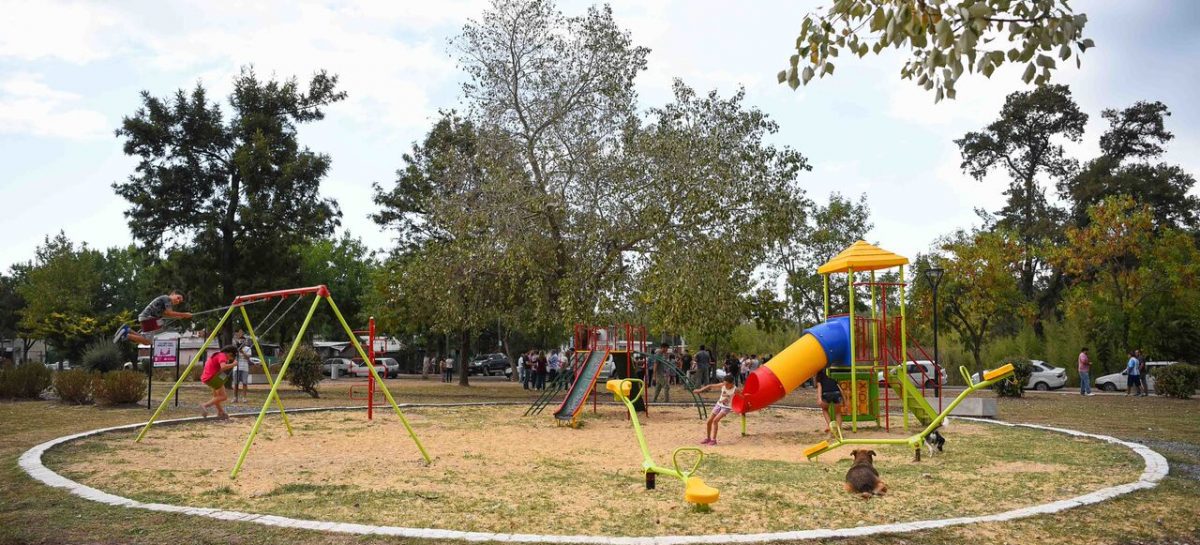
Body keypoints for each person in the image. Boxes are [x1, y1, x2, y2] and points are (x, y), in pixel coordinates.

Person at [112, 291, 193, 346]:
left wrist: (180, 316)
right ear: (173, 294)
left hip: (147, 318)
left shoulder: (165, 301)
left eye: (180, 301)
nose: (178, 301)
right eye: (178, 298)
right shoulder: (167, 298)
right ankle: (126, 334)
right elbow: (169, 313)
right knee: (148, 341)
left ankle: (127, 330)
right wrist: (184, 314)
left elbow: (166, 314)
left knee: (144, 339)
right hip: (149, 318)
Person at [693, 375, 739, 445]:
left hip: (726, 408)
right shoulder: (723, 385)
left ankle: (714, 440)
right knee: (709, 421)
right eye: (724, 383)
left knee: (715, 420)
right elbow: (710, 386)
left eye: (727, 384)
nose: (725, 385)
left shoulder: (735, 390)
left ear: (732, 383)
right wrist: (699, 390)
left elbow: (743, 396)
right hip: (719, 405)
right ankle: (708, 438)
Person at [200, 345, 238, 419]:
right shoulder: (222, 356)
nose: (230, 360)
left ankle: (221, 412)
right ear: (230, 354)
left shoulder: (217, 354)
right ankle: (204, 405)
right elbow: (223, 367)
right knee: (223, 397)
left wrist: (227, 367)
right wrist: (233, 364)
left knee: (216, 397)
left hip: (207, 377)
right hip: (212, 377)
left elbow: (219, 369)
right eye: (231, 358)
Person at [815, 366, 844, 434]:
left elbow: (820, 388)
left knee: (825, 410)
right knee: (838, 413)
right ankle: (838, 431)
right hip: (837, 394)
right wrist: (844, 400)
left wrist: (819, 399)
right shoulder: (833, 380)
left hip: (826, 394)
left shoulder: (819, 381)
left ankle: (829, 425)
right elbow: (841, 391)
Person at [232, 329, 253, 402]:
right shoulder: (235, 349)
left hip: (245, 368)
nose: (241, 342)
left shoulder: (248, 348)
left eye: (243, 341)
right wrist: (237, 351)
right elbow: (232, 357)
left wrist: (242, 351)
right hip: (236, 367)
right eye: (240, 341)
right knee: (235, 383)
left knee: (244, 383)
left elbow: (248, 358)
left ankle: (244, 398)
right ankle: (235, 397)